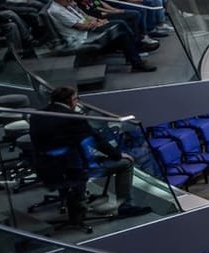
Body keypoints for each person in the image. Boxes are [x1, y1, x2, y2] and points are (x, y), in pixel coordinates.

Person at [28, 85, 149, 224]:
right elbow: (97, 140)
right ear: (70, 101)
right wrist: (117, 155)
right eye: (76, 99)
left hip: (45, 167)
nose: (77, 102)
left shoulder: (37, 115)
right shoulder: (74, 118)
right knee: (126, 164)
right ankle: (125, 207)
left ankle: (77, 203)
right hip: (71, 169)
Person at [45, 0, 155, 71]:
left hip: (89, 29)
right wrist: (97, 24)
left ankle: (135, 59)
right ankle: (137, 50)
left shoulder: (66, 4)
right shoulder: (57, 10)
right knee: (120, 24)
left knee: (122, 32)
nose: (70, 0)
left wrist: (97, 20)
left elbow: (85, 16)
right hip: (81, 37)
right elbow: (81, 26)